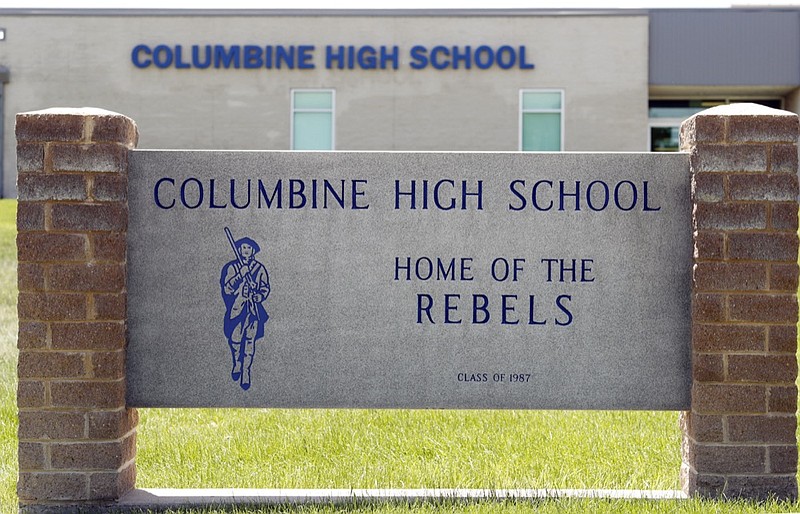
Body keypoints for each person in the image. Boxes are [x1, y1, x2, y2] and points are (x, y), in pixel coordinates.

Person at [220, 236, 270, 390]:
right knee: (235, 340)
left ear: (253, 251)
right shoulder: (232, 268)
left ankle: (246, 372)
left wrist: (259, 296)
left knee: (249, 342)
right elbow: (227, 289)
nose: (246, 251)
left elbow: (265, 288)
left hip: (253, 311)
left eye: (248, 248)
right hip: (236, 310)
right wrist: (240, 275)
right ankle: (237, 363)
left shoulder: (259, 268)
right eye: (243, 248)